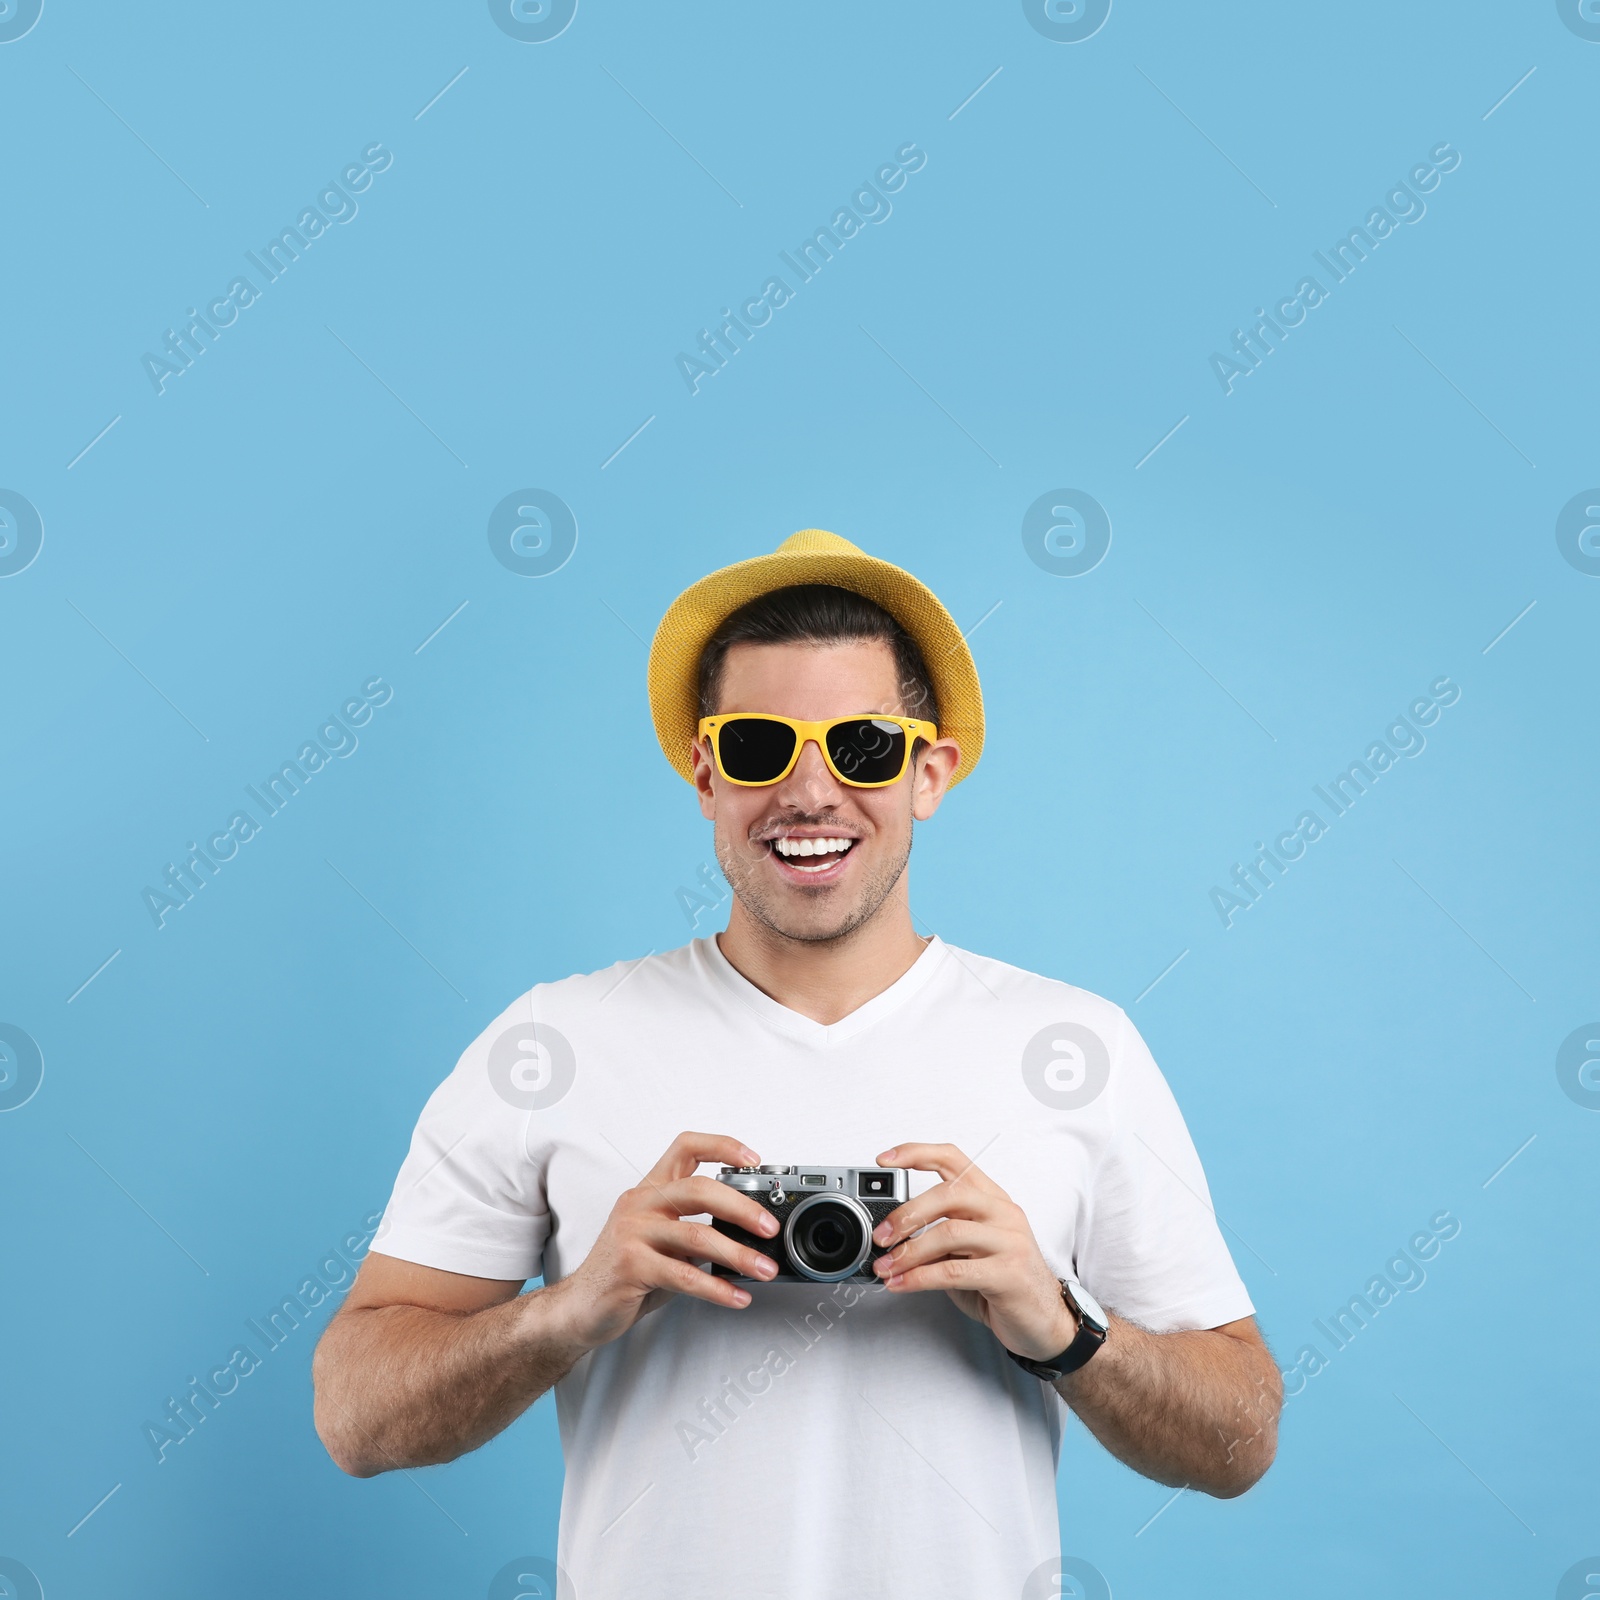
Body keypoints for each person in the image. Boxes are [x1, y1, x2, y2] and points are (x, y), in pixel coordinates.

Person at [312, 528, 1281, 1597]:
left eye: (862, 745)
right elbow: (355, 1418)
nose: (809, 792)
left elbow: (1238, 1440)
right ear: (704, 774)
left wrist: (1059, 1323)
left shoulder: (1074, 1048)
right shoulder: (552, 1042)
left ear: (929, 772)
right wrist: (574, 1305)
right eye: (759, 747)